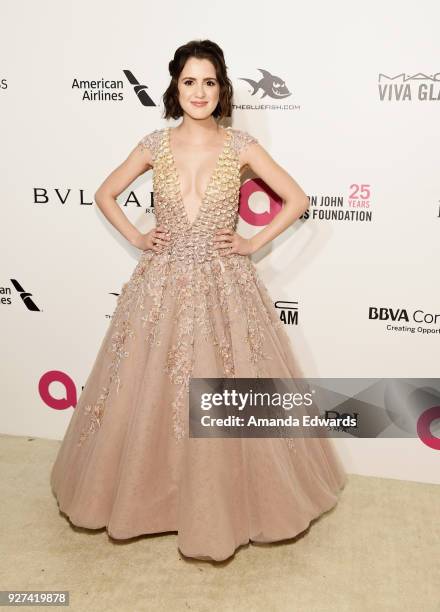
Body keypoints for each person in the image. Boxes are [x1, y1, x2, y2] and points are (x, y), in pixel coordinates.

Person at [50, 39, 347, 562]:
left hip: (224, 285)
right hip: (160, 283)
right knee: (143, 396)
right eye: (190, 81)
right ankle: (151, 502)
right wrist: (139, 239)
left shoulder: (240, 146)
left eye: (209, 82)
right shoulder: (153, 144)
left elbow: (297, 198)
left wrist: (254, 243)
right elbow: (104, 193)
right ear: (175, 86)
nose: (199, 91)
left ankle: (225, 508)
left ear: (221, 87)